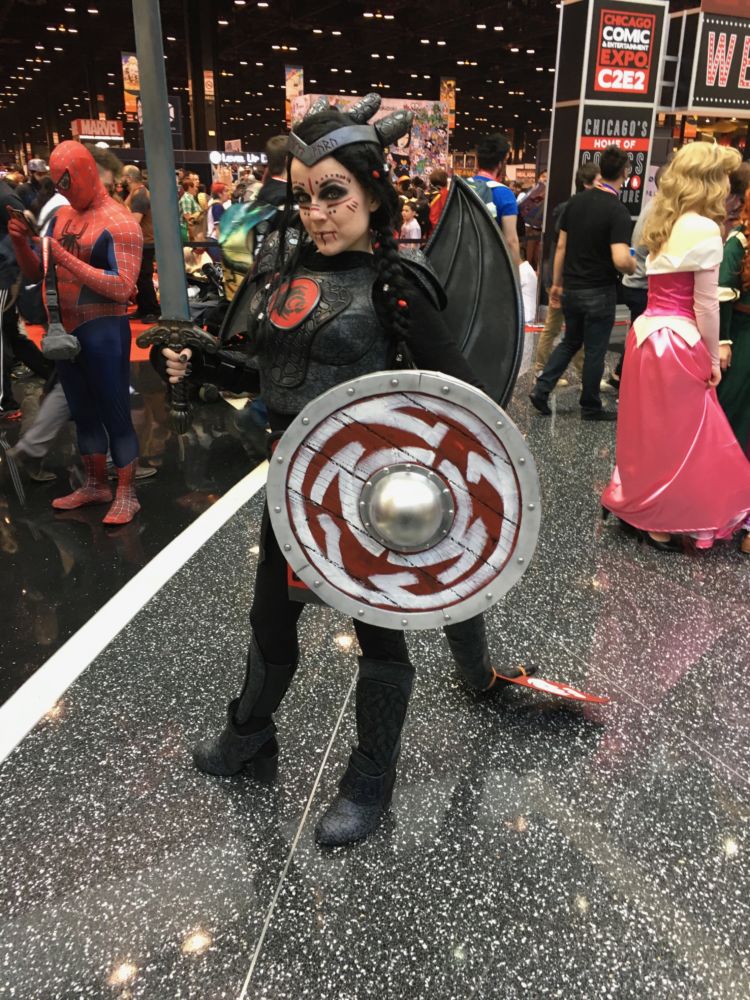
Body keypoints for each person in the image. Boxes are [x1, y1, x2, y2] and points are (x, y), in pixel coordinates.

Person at [156, 95, 528, 848]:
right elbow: (267, 375)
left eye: (334, 193)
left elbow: (463, 401)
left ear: (373, 195)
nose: (318, 213)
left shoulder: (398, 282)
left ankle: (369, 779)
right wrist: (200, 362)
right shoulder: (282, 273)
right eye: (305, 196)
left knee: (380, 641)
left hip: (373, 495)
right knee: (271, 619)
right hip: (291, 482)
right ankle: (249, 735)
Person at [601, 142, 750, 552]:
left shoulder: (663, 218)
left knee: (646, 432)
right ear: (709, 181)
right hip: (678, 341)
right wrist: (712, 356)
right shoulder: (704, 228)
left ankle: (637, 509)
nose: (729, 188)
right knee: (684, 437)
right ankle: (660, 521)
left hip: (646, 335)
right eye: (723, 178)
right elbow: (706, 304)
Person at [8, 141, 144, 524]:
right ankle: (96, 484)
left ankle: (127, 492)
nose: (64, 192)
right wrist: (21, 242)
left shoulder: (120, 222)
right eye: (58, 185)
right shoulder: (63, 216)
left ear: (84, 173)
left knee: (115, 413)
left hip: (104, 330)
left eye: (67, 183)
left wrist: (63, 256)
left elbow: (122, 286)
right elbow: (38, 272)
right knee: (83, 414)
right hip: (65, 331)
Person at [530, 145, 635, 421]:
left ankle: (542, 388)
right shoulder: (617, 211)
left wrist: (556, 283)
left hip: (572, 287)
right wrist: (633, 264)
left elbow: (561, 246)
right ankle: (590, 405)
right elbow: (620, 258)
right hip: (599, 290)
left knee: (570, 341)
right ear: (624, 173)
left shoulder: (575, 203)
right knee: (595, 349)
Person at [533, 162, 600, 382]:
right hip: (562, 278)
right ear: (587, 183)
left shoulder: (573, 208)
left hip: (565, 277)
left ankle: (577, 373)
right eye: (599, 181)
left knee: (572, 330)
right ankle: (542, 370)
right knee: (555, 327)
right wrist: (557, 282)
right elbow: (560, 248)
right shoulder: (573, 209)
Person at [717, 185, 750, 463]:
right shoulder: (739, 241)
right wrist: (723, 340)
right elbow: (723, 293)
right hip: (742, 333)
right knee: (734, 403)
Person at [469, 133, 520, 265]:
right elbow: (511, 241)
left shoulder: (461, 186)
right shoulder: (504, 193)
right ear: (500, 163)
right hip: (491, 265)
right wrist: (517, 273)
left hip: (462, 261)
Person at [123, 164, 159, 321]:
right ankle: (144, 308)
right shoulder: (137, 193)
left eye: (123, 176)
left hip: (145, 242)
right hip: (143, 241)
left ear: (129, 178)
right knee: (140, 277)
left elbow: (134, 221)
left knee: (144, 277)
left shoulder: (140, 195)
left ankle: (152, 310)